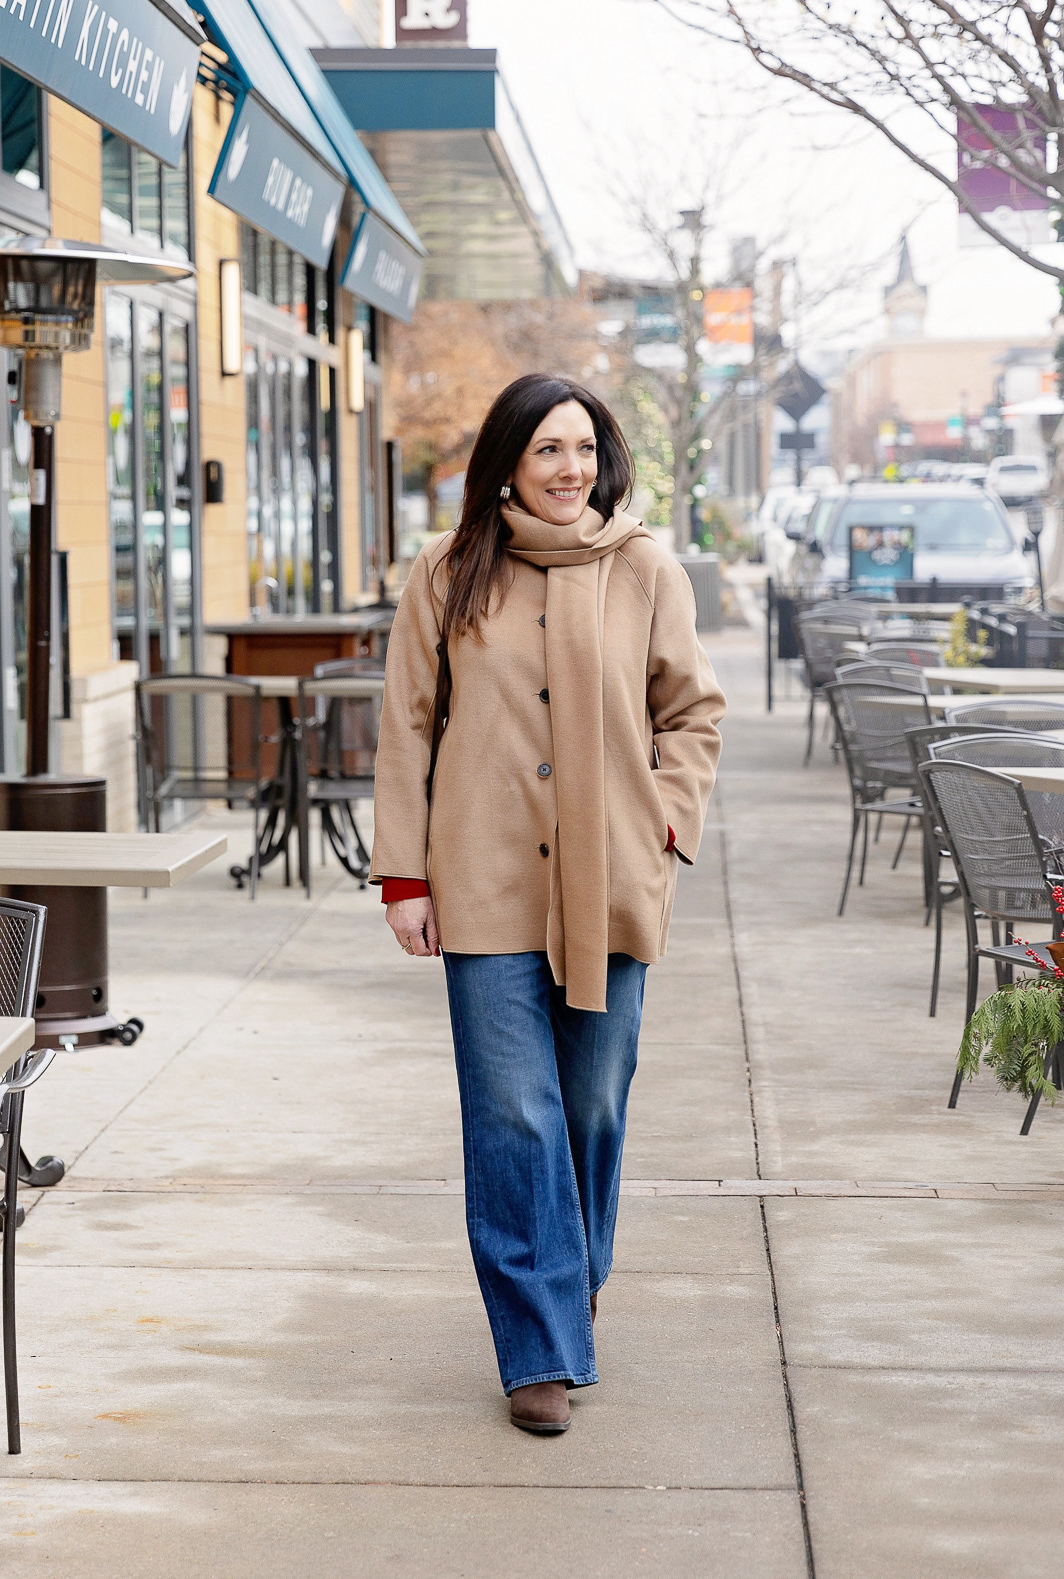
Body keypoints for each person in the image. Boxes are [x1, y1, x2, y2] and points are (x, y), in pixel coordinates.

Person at [370, 374, 725, 1435]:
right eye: (547, 451)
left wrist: (664, 822)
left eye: (583, 449)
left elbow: (692, 713)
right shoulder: (447, 571)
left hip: (609, 879)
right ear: (508, 466)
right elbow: (407, 726)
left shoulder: (645, 569)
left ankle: (571, 1289)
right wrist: (405, 877)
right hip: (481, 880)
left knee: (592, 1107)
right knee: (513, 1114)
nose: (570, 470)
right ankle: (539, 1349)